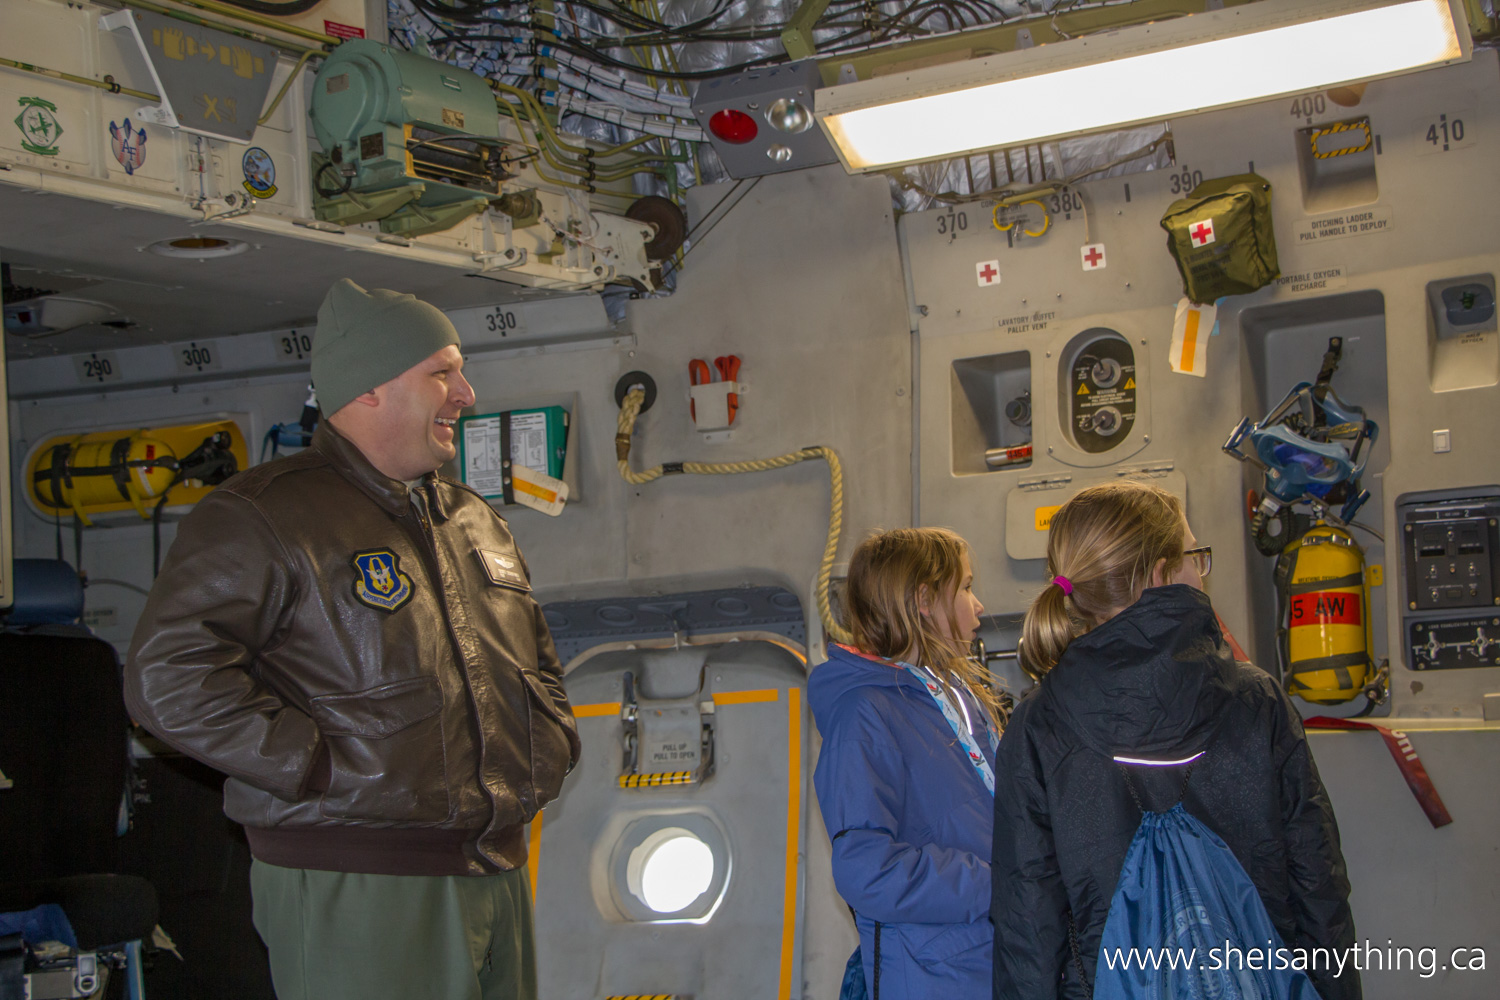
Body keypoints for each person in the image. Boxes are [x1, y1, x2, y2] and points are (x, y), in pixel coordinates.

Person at [124, 278, 580, 1000]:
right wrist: (319, 767)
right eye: (441, 373)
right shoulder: (265, 515)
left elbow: (537, 661)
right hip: (355, 872)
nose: (466, 394)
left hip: (492, 863)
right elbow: (166, 680)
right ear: (370, 386)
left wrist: (553, 737)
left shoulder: (471, 518)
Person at [991, 482, 1360, 1000]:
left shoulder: (1037, 724)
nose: (1201, 571)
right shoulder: (1257, 700)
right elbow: (1316, 881)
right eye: (1194, 555)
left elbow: (1027, 921)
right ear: (1160, 574)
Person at [810, 527, 1006, 1000]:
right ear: (923, 600)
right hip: (936, 978)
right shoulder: (864, 714)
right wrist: (996, 885)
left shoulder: (957, 699)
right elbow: (867, 870)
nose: (978, 606)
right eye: (966, 587)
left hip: (989, 961)